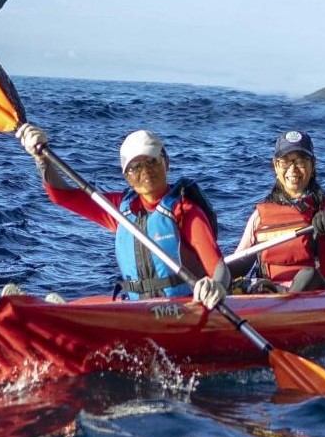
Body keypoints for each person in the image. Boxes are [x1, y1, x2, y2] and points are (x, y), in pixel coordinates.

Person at [15, 124, 228, 308]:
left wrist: (215, 286)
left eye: (151, 162)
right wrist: (42, 159)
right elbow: (63, 196)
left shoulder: (186, 211)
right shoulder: (120, 210)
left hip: (185, 307)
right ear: (126, 176)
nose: (145, 172)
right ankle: (39, 312)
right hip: (137, 308)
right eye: (135, 167)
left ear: (166, 162)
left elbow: (219, 268)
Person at [231, 130, 325, 292]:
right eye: (285, 162)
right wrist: (217, 274)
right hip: (270, 293)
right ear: (275, 166)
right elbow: (241, 259)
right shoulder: (260, 215)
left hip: (317, 288)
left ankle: (285, 305)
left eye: (300, 161)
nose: (293, 170)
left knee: (307, 274)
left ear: (313, 165)